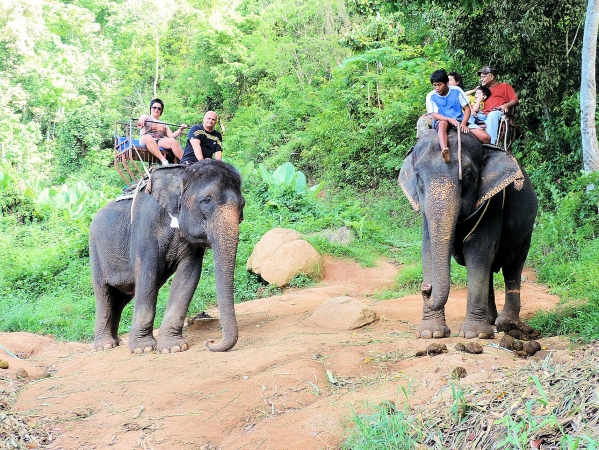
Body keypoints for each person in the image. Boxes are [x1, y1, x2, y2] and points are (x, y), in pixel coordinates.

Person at [426, 69, 490, 163]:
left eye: (439, 84)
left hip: (459, 120)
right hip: (442, 120)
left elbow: (467, 108)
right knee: (443, 123)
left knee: (486, 137)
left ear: (447, 83)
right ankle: (445, 150)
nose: (437, 88)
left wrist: (464, 123)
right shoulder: (431, 96)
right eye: (434, 85)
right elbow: (434, 115)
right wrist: (448, 119)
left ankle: (484, 157)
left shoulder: (456, 91)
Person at [137, 98, 187, 165]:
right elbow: (140, 121)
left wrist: (180, 129)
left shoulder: (163, 123)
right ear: (151, 108)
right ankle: (163, 160)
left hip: (158, 141)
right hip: (146, 140)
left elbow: (171, 136)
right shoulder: (147, 117)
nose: (156, 110)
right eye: (154, 107)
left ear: (161, 111)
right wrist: (142, 119)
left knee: (172, 140)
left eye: (159, 108)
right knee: (147, 137)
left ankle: (186, 162)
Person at [477, 66, 519, 145]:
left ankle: (491, 144)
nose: (481, 79)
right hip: (482, 114)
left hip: (497, 112)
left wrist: (506, 105)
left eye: (483, 77)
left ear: (491, 76)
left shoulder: (505, 86)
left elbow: (515, 101)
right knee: (468, 115)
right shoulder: (483, 90)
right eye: (481, 77)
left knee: (492, 115)